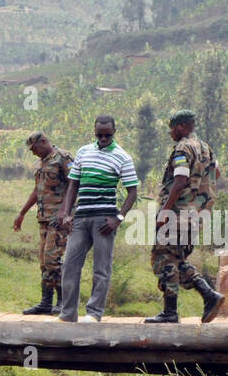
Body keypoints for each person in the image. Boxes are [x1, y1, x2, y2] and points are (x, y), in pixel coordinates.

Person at [55, 115, 138, 323]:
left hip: (104, 221)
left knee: (101, 268)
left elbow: (133, 192)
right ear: (94, 133)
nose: (103, 139)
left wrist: (118, 218)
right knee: (69, 265)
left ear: (114, 132)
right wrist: (66, 212)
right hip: (81, 217)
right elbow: (73, 184)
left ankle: (93, 313)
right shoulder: (83, 152)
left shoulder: (122, 157)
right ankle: (67, 314)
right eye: (99, 135)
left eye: (107, 135)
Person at [145, 109, 225, 324]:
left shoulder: (183, 147)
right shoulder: (205, 147)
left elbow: (180, 180)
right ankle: (209, 295)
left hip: (178, 213)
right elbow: (216, 173)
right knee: (176, 259)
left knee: (163, 258)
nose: (171, 133)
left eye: (172, 128)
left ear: (180, 126)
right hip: (197, 214)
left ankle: (170, 312)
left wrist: (165, 210)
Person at [13, 131, 73, 315]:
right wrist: (22, 212)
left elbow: (74, 185)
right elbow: (37, 190)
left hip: (59, 219)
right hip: (44, 219)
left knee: (53, 260)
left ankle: (63, 302)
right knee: (44, 262)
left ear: (44, 142)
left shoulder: (63, 158)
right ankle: (46, 302)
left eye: (34, 148)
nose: (33, 153)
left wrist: (65, 212)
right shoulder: (41, 163)